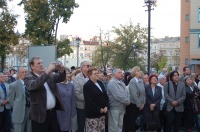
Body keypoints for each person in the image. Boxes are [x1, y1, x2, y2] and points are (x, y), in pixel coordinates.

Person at [24, 57, 66, 132]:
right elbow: (34, 85)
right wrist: (47, 72)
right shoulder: (29, 77)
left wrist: (61, 70)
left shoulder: (48, 76)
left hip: (52, 113)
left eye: (42, 63)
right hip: (39, 115)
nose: (41, 65)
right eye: (38, 63)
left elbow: (60, 78)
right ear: (32, 66)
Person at [83, 67, 109, 132]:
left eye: (98, 73)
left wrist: (106, 106)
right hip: (92, 115)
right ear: (90, 75)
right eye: (95, 73)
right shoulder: (87, 86)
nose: (97, 75)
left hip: (102, 114)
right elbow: (89, 102)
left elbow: (105, 96)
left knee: (101, 130)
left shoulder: (100, 83)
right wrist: (99, 109)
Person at [9, 68, 31, 132]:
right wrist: (18, 107)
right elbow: (11, 101)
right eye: (22, 72)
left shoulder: (30, 84)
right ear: (18, 73)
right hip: (19, 113)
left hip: (29, 111)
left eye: (26, 72)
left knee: (29, 129)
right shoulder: (13, 85)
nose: (24, 73)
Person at [123, 66, 146, 132]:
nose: (140, 72)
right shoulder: (132, 82)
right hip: (133, 105)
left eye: (139, 70)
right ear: (134, 73)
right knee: (133, 123)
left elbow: (143, 93)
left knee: (139, 123)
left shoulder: (141, 81)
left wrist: (143, 103)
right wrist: (139, 105)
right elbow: (134, 95)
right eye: (138, 71)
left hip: (141, 105)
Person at [73, 61, 91, 132]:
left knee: (90, 125)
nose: (89, 67)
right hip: (82, 106)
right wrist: (89, 100)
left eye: (90, 66)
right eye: (87, 66)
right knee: (81, 125)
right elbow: (77, 93)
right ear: (82, 67)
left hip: (91, 106)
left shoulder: (92, 76)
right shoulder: (77, 78)